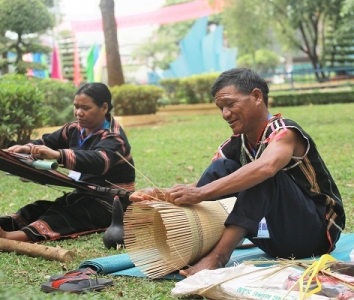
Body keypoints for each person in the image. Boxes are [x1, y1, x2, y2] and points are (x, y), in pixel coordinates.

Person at [130, 68, 345, 277]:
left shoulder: (285, 132)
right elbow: (202, 186)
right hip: (271, 240)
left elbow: (265, 168)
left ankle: (218, 257)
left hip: (315, 235)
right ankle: (196, 242)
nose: (225, 114)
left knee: (261, 176)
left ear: (257, 96)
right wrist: (158, 194)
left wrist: (201, 193)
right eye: (220, 108)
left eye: (230, 104)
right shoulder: (235, 145)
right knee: (220, 169)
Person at [0, 82, 135, 242]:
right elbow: (47, 141)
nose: (78, 113)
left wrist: (58, 155)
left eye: (86, 108)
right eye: (76, 107)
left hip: (111, 203)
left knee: (65, 215)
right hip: (84, 194)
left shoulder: (114, 137)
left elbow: (99, 161)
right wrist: (26, 148)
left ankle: (9, 236)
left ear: (104, 107)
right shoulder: (74, 129)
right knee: (38, 208)